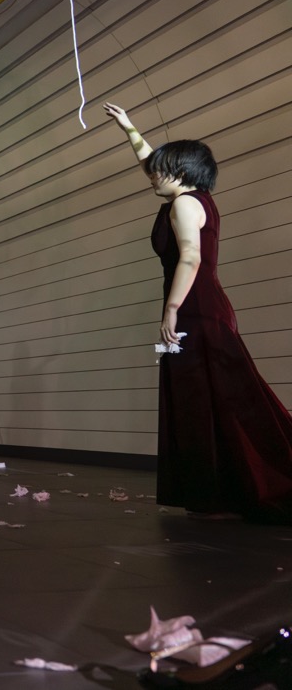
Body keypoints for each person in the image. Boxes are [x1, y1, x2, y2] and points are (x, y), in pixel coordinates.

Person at [106, 102, 292, 522]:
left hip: (195, 310)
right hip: (203, 308)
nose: (152, 174)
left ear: (182, 172)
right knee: (209, 398)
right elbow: (150, 161)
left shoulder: (184, 205)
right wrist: (129, 128)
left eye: (161, 169)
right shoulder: (195, 198)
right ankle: (218, 492)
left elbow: (190, 256)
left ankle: (223, 493)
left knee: (207, 400)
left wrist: (171, 309)